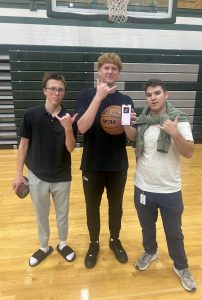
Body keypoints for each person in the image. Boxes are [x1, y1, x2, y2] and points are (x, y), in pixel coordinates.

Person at [134, 79, 197, 292]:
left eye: (157, 93)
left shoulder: (178, 120)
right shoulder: (142, 121)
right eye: (149, 94)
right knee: (147, 227)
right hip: (143, 187)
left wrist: (174, 132)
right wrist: (127, 124)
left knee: (174, 232)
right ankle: (150, 252)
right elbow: (134, 141)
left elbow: (188, 152)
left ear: (166, 95)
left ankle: (181, 266)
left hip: (169, 189)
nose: (153, 97)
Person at [75, 53, 136, 268]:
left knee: (116, 206)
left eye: (114, 69)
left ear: (118, 73)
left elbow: (132, 136)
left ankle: (114, 240)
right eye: (106, 68)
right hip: (92, 164)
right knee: (92, 206)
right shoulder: (86, 95)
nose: (109, 71)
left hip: (118, 164)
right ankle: (94, 243)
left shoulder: (126, 101)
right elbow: (81, 127)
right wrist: (98, 98)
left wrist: (126, 123)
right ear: (99, 71)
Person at [12, 72, 77, 267]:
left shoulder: (68, 116)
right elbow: (23, 145)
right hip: (37, 174)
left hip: (62, 175)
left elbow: (71, 148)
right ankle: (43, 247)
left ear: (63, 93)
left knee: (62, 213)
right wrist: (18, 174)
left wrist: (67, 128)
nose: (56, 92)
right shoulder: (31, 114)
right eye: (53, 89)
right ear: (45, 91)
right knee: (41, 213)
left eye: (60, 90)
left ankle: (63, 244)